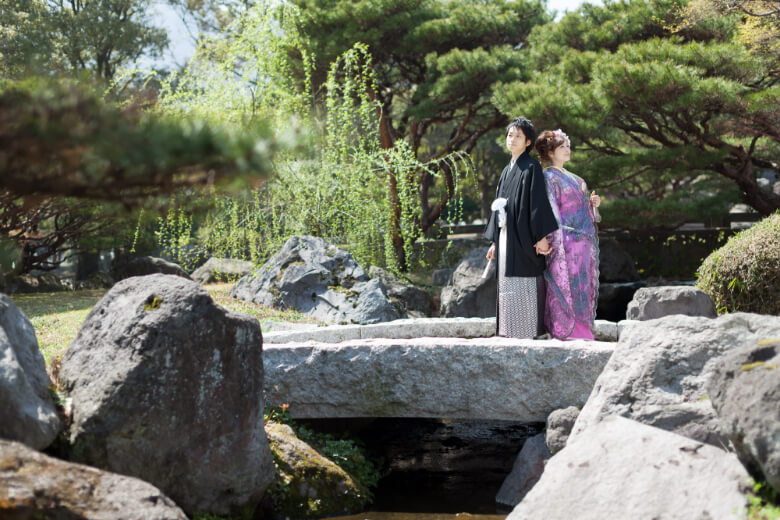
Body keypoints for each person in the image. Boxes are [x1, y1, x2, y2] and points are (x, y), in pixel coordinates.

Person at [483, 117, 559, 338]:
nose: (512, 139)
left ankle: (527, 332)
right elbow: (498, 208)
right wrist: (494, 242)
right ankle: (509, 331)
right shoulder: (506, 171)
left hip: (524, 237)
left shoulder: (531, 166)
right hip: (505, 237)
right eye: (510, 135)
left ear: (528, 142)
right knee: (506, 281)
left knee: (525, 278)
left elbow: (537, 202)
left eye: (518, 136)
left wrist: (541, 236)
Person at [534, 129, 601, 340]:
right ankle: (563, 330)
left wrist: (593, 205)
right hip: (564, 242)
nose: (567, 150)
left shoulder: (576, 179)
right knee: (564, 285)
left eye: (568, 146)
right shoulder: (548, 177)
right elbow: (550, 211)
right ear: (550, 152)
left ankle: (583, 331)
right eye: (562, 147)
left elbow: (585, 212)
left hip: (582, 243)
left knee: (582, 286)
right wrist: (552, 238)